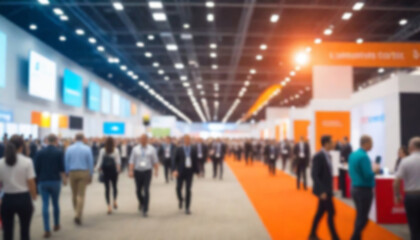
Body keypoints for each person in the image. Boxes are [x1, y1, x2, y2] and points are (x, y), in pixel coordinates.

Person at [0, 135, 37, 240]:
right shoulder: (27, 161)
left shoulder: (1, 162)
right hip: (23, 198)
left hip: (7, 199)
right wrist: (34, 196)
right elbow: (31, 182)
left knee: (7, 232)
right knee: (25, 231)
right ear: (22, 147)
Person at [348, 135, 380, 240]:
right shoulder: (364, 156)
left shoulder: (352, 155)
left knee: (360, 216)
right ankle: (354, 237)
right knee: (363, 218)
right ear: (366, 144)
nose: (372, 145)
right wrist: (375, 170)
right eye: (371, 143)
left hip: (354, 188)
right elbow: (368, 174)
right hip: (364, 190)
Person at [34, 134, 66, 238]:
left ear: (46, 140)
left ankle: (46, 229)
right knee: (55, 203)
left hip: (43, 181)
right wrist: (64, 179)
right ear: (56, 140)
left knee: (45, 205)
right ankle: (56, 224)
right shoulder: (59, 152)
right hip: (55, 181)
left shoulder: (39, 152)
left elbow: (36, 169)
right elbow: (62, 168)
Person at [309, 135, 340, 240]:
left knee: (320, 213)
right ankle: (335, 237)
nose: (334, 143)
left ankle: (312, 234)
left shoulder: (328, 155)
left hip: (328, 189)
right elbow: (314, 175)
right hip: (324, 191)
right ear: (326, 143)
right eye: (332, 142)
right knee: (331, 212)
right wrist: (321, 191)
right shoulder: (318, 156)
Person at [65, 133, 94, 225]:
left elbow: (66, 161)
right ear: (83, 139)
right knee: (81, 195)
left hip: (72, 172)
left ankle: (76, 211)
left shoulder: (69, 148)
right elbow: (90, 162)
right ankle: (78, 214)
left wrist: (66, 173)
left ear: (75, 138)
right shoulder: (87, 148)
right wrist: (91, 174)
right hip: (83, 172)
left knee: (74, 194)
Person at [394, 137, 420, 240]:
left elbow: (396, 182)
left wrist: (397, 195)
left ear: (411, 147)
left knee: (413, 226)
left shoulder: (405, 161)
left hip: (411, 197)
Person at [128, 134, 159, 217]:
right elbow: (132, 161)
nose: (143, 140)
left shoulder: (151, 149)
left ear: (147, 140)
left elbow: (155, 160)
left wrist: (156, 170)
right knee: (138, 190)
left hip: (147, 171)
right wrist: (130, 171)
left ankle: (145, 209)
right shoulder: (135, 149)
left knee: (146, 190)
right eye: (141, 139)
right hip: (138, 171)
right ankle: (141, 202)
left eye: (144, 139)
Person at [172, 135, 200, 215]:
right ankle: (180, 199)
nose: (187, 141)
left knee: (188, 189)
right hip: (180, 172)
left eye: (189, 139)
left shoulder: (193, 149)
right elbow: (174, 160)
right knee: (178, 188)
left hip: (189, 172)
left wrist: (197, 172)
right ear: (184, 140)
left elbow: (195, 161)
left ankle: (187, 207)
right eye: (186, 139)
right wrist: (174, 170)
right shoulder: (179, 149)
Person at [96, 137, 121, 215]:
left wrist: (97, 169)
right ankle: (115, 201)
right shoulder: (116, 150)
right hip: (114, 171)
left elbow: (99, 161)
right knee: (114, 186)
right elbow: (118, 161)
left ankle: (109, 206)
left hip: (106, 171)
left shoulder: (102, 150)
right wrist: (118, 170)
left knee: (107, 189)